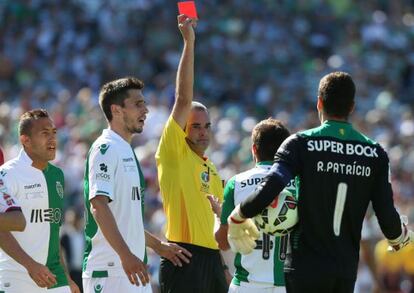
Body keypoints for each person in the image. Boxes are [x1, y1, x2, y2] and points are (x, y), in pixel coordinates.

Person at [227, 72, 414, 293]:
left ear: (319, 103)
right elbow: (386, 215)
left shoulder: (299, 143)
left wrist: (239, 215)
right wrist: (400, 238)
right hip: (344, 271)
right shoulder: (376, 153)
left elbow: (271, 187)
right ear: (352, 107)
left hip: (304, 267)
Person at [83, 77, 191, 293]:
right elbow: (98, 206)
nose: (146, 110)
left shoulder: (127, 151)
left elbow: (126, 221)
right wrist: (125, 255)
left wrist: (159, 246)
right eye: (138, 104)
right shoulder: (105, 148)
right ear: (117, 110)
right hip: (111, 271)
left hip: (133, 269)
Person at [155, 15, 228, 293]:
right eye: (195, 126)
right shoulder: (173, 151)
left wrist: (219, 260)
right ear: (182, 129)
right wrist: (189, 42)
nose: (202, 132)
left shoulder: (212, 168)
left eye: (207, 126)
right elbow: (183, 98)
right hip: (183, 256)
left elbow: (216, 223)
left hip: (211, 257)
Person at [0, 109, 80, 293]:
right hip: (16, 277)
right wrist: (30, 265)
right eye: (44, 133)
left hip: (54, 277)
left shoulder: (57, 175)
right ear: (25, 140)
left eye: (54, 132)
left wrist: (66, 277)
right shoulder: (7, 174)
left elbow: (52, 232)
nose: (52, 139)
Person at [215, 118, 293, 293]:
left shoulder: (236, 183)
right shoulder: (300, 184)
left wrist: (218, 214)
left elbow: (223, 243)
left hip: (246, 285)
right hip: (288, 285)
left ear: (254, 150)